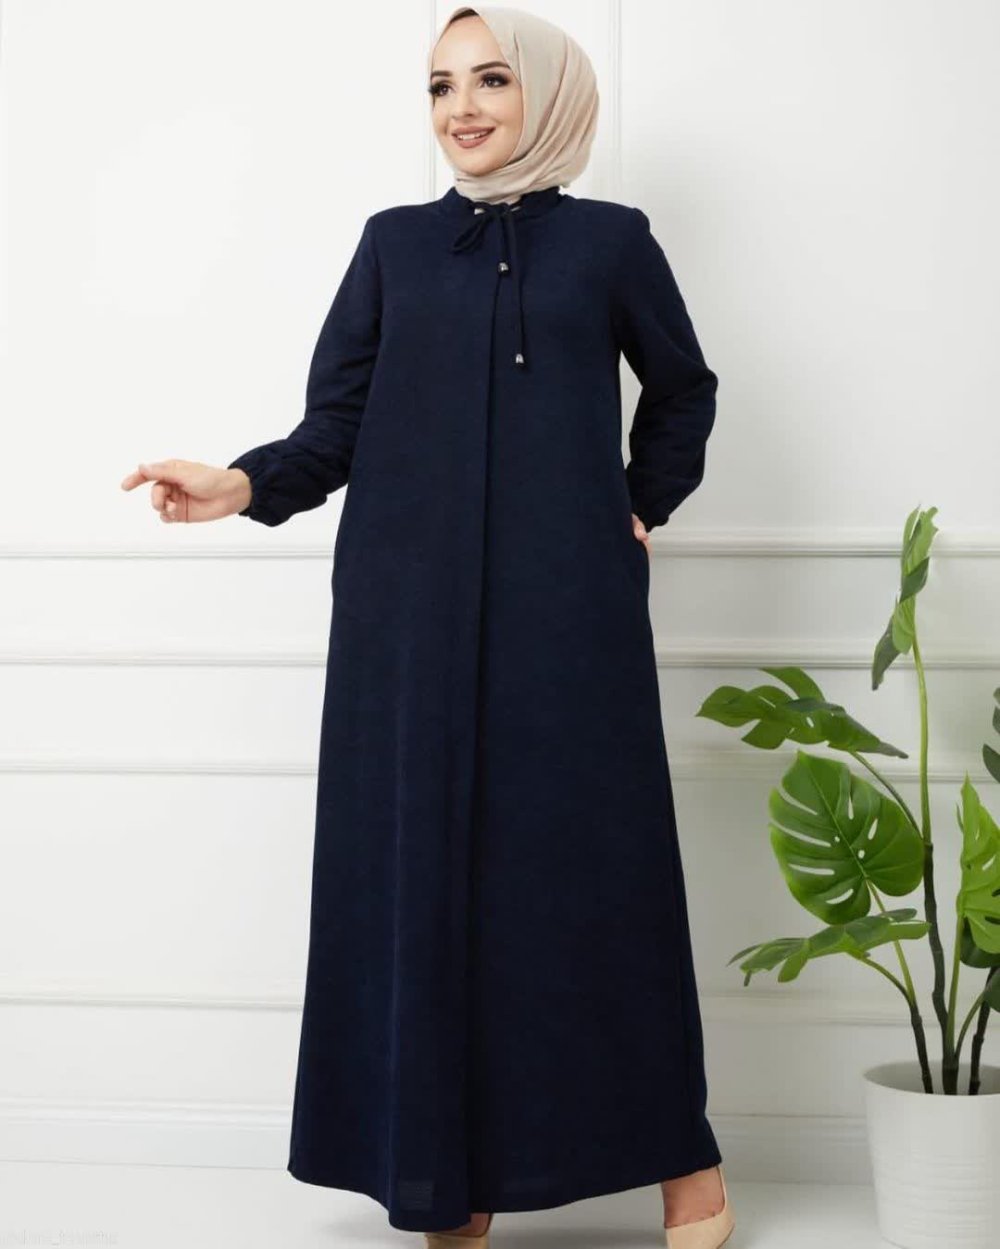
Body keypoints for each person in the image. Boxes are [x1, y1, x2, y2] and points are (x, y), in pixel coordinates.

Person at [120, 6, 735, 1248]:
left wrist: (636, 503)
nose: (462, 108)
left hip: (569, 614)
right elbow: (335, 423)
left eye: (491, 79)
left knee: (597, 874)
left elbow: (683, 389)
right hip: (404, 617)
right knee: (423, 879)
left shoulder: (611, 243)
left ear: (546, 94)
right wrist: (240, 482)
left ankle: (687, 1169)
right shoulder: (393, 245)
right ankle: (453, 1178)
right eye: (441, 85)